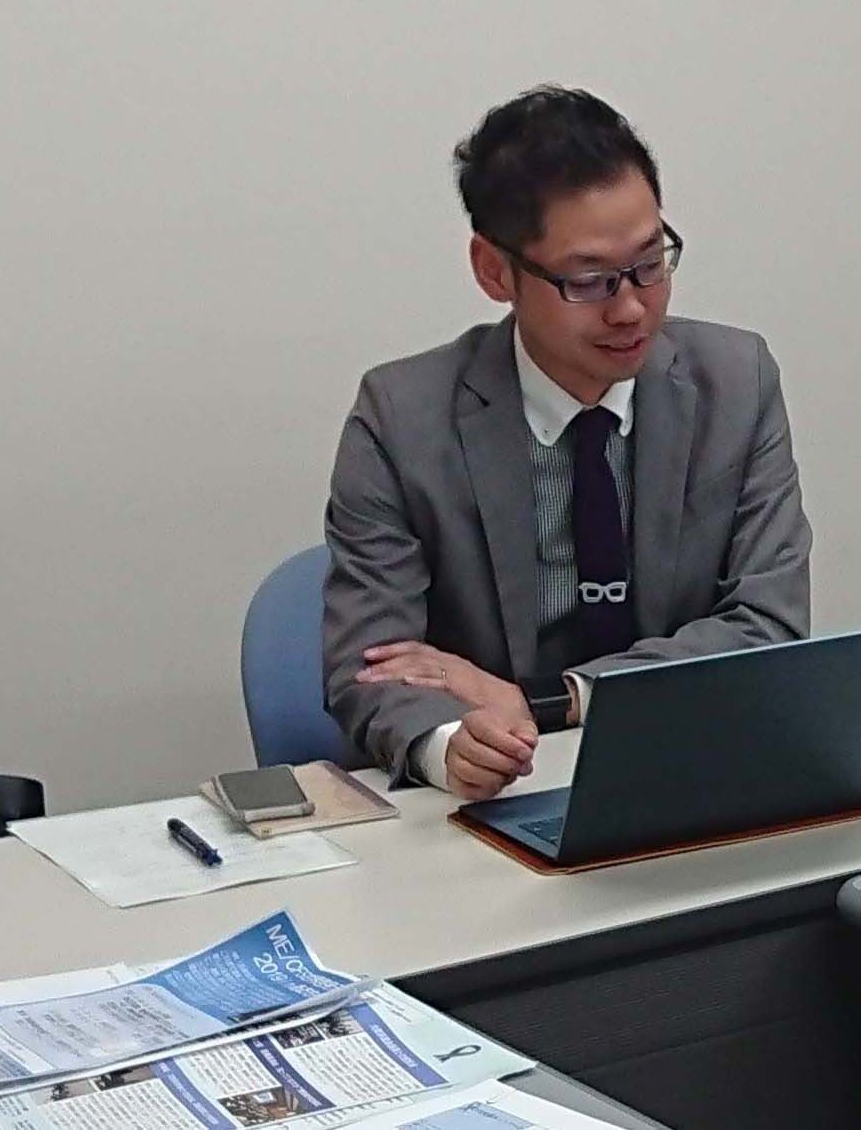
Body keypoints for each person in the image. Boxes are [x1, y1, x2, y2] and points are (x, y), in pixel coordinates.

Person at [322, 87, 812, 797]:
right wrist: (450, 746)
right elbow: (372, 665)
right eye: (589, 281)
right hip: (499, 800)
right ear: (495, 271)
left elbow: (769, 627)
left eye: (651, 263)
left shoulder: (735, 383)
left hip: (689, 770)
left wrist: (561, 699)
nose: (632, 307)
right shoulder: (401, 419)